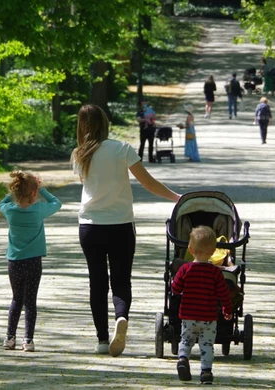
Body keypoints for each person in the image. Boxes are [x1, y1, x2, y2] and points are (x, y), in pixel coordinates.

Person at [71, 104, 181, 357]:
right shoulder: (122, 149)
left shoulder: (79, 154)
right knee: (120, 280)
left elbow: (86, 184)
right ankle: (121, 317)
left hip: (89, 227)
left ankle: (101, 339)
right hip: (120, 225)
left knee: (96, 282)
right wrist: (177, 197)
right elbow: (148, 182)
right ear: (105, 123)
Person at [0, 170, 62, 352]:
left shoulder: (10, 211)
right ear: (34, 192)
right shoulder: (38, 210)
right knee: (30, 301)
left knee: (16, 299)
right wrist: (41, 189)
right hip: (33, 261)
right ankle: (28, 340)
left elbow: (1, 203)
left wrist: (15, 192)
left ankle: (9, 338)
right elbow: (56, 203)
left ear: (16, 190)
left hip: (14, 261)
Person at [171, 226, 233, 385]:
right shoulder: (215, 273)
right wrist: (227, 309)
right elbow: (223, 294)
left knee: (186, 340)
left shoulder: (185, 269)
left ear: (190, 249)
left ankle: (183, 359)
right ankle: (206, 372)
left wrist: (180, 290)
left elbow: (175, 288)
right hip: (208, 318)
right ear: (213, 251)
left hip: (188, 316)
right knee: (206, 345)